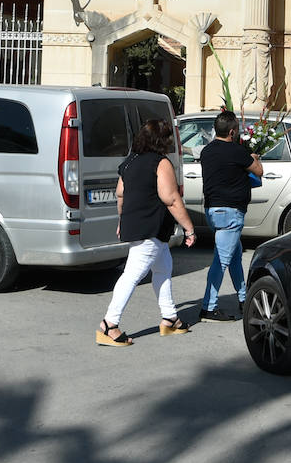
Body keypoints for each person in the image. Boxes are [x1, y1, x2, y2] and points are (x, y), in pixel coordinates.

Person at [96, 119, 196, 346]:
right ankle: (109, 324)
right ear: (163, 140)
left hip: (140, 226)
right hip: (151, 227)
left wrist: (122, 219)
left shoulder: (130, 162)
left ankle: (170, 318)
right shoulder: (161, 163)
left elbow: (120, 193)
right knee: (132, 275)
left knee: (163, 268)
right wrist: (189, 228)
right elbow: (170, 198)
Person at [199, 110, 262, 322]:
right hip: (230, 213)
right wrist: (254, 157)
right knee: (221, 262)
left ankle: (245, 299)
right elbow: (258, 171)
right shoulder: (236, 151)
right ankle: (208, 307)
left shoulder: (206, 151)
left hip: (212, 211)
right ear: (233, 131)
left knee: (234, 257)